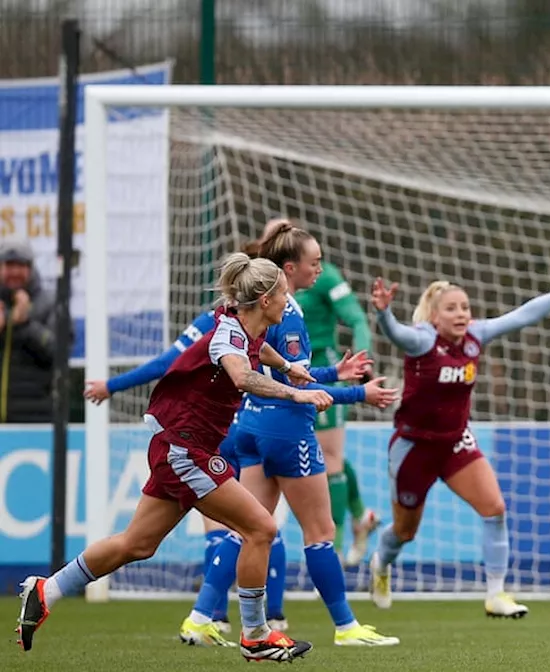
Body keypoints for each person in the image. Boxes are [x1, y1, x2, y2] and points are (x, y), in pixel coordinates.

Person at [19, 253, 330, 662]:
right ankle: (255, 635)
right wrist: (296, 392)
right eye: (285, 297)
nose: (289, 304)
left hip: (178, 446)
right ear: (267, 299)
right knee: (261, 528)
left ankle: (48, 589)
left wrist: (288, 366)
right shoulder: (228, 337)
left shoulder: (244, 328)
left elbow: (258, 354)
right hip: (187, 449)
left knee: (137, 544)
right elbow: (242, 375)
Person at [181, 220, 401, 648]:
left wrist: (334, 372)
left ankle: (200, 617)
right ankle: (346, 627)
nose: (319, 270)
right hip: (287, 432)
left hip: (249, 425)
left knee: (249, 530)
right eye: (314, 262)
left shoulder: (251, 311)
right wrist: (359, 392)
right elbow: (297, 389)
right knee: (319, 532)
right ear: (289, 267)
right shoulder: (291, 312)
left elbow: (280, 370)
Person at [367, 252, 550, 617]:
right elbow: (395, 333)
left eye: (465, 306)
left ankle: (496, 594)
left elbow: (525, 315)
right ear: (434, 316)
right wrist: (384, 313)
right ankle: (381, 564)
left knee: (494, 509)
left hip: (454, 442)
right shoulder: (421, 341)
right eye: (451, 308)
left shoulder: (476, 335)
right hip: (414, 447)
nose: (462, 313)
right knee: (404, 532)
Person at [285, 218, 380, 567]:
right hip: (281, 377)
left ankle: (332, 550)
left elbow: (355, 318)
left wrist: (364, 357)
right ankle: (360, 515)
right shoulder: (265, 283)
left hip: (322, 370)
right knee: (325, 454)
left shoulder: (323, 277)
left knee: (330, 455)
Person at [0, 239, 59, 423]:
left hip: (36, 421)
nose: (15, 272)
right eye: (9, 265)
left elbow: (59, 352)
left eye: (21, 265)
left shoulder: (50, 302)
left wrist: (25, 324)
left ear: (31, 268)